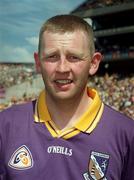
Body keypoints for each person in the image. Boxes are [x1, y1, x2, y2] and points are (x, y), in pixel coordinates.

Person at [0, 14, 134, 180]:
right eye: (52, 56)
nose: (62, 68)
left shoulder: (127, 134)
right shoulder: (5, 125)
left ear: (93, 63)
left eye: (74, 57)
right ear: (38, 63)